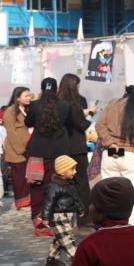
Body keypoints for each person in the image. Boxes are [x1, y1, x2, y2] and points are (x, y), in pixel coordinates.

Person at [25, 78, 88, 236]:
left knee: (37, 186)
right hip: (60, 152)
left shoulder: (34, 105)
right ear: (57, 89)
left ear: (41, 89)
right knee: (58, 185)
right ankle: (55, 220)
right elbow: (75, 124)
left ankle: (40, 223)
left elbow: (28, 123)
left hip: (37, 152)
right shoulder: (65, 105)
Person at [95, 80, 134, 227]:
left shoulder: (114, 103)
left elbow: (99, 125)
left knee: (109, 197)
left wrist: (110, 142)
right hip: (132, 157)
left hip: (110, 155)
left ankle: (109, 229)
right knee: (132, 198)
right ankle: (131, 231)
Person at [58, 73, 97, 207]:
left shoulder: (58, 102)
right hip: (77, 147)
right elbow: (81, 125)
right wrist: (91, 114)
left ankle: (67, 209)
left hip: (61, 147)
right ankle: (84, 213)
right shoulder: (77, 101)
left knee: (65, 181)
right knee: (82, 181)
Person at [42, 156, 83, 266]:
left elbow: (75, 198)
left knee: (59, 238)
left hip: (70, 215)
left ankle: (52, 259)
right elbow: (48, 202)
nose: (75, 172)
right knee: (67, 238)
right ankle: (78, 259)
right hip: (59, 216)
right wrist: (45, 217)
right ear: (62, 171)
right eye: (72, 169)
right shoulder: (53, 186)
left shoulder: (70, 184)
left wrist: (80, 208)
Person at [2, 87, 33, 215]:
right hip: (16, 149)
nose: (29, 98)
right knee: (18, 177)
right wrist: (20, 148)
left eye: (29, 96)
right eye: (26, 96)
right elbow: (11, 132)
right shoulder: (10, 111)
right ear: (18, 97)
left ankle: (28, 200)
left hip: (29, 147)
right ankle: (21, 202)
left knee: (27, 176)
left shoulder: (28, 110)